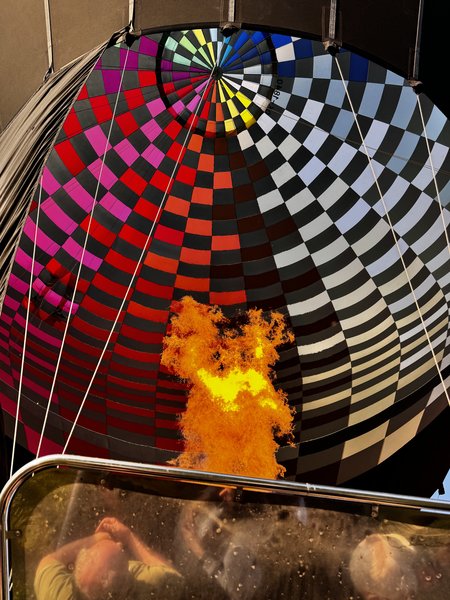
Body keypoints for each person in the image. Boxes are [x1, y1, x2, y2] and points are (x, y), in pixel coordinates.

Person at [34, 517, 183, 600]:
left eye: (93, 547)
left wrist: (94, 539)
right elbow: (173, 576)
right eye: (122, 551)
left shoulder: (61, 594)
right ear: (127, 586)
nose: (119, 544)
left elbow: (48, 561)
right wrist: (129, 538)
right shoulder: (147, 586)